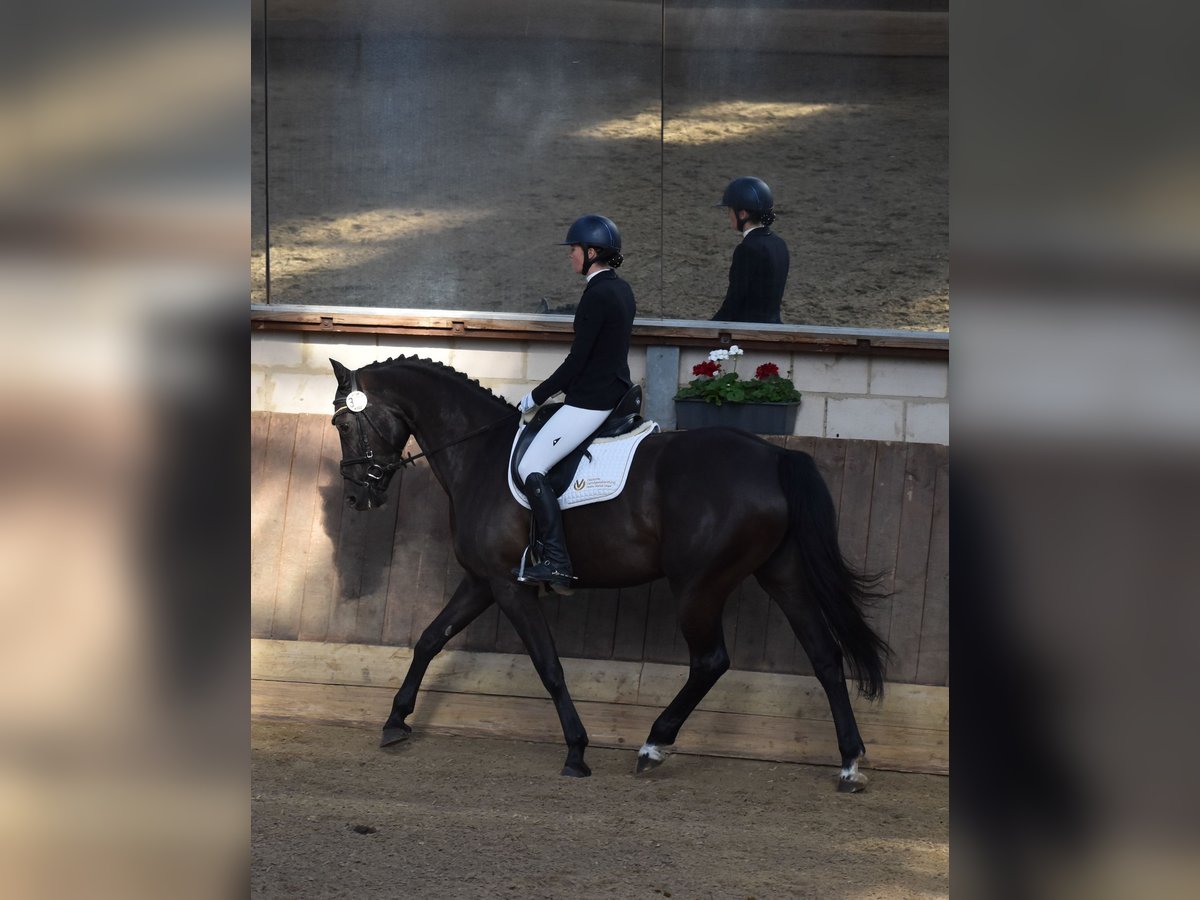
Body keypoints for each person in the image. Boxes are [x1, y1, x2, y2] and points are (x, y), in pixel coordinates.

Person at [514, 214, 636, 592]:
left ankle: (556, 561)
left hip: (591, 402)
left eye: (574, 249)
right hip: (613, 392)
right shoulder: (621, 289)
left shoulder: (597, 294)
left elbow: (576, 361)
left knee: (531, 465)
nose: (570, 255)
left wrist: (537, 394)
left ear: (593, 252)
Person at [711, 176, 789, 324]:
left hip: (748, 333)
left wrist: (709, 327)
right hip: (775, 327)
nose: (729, 215)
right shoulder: (780, 244)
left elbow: (734, 301)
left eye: (730, 210)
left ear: (742, 214)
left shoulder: (747, 249)